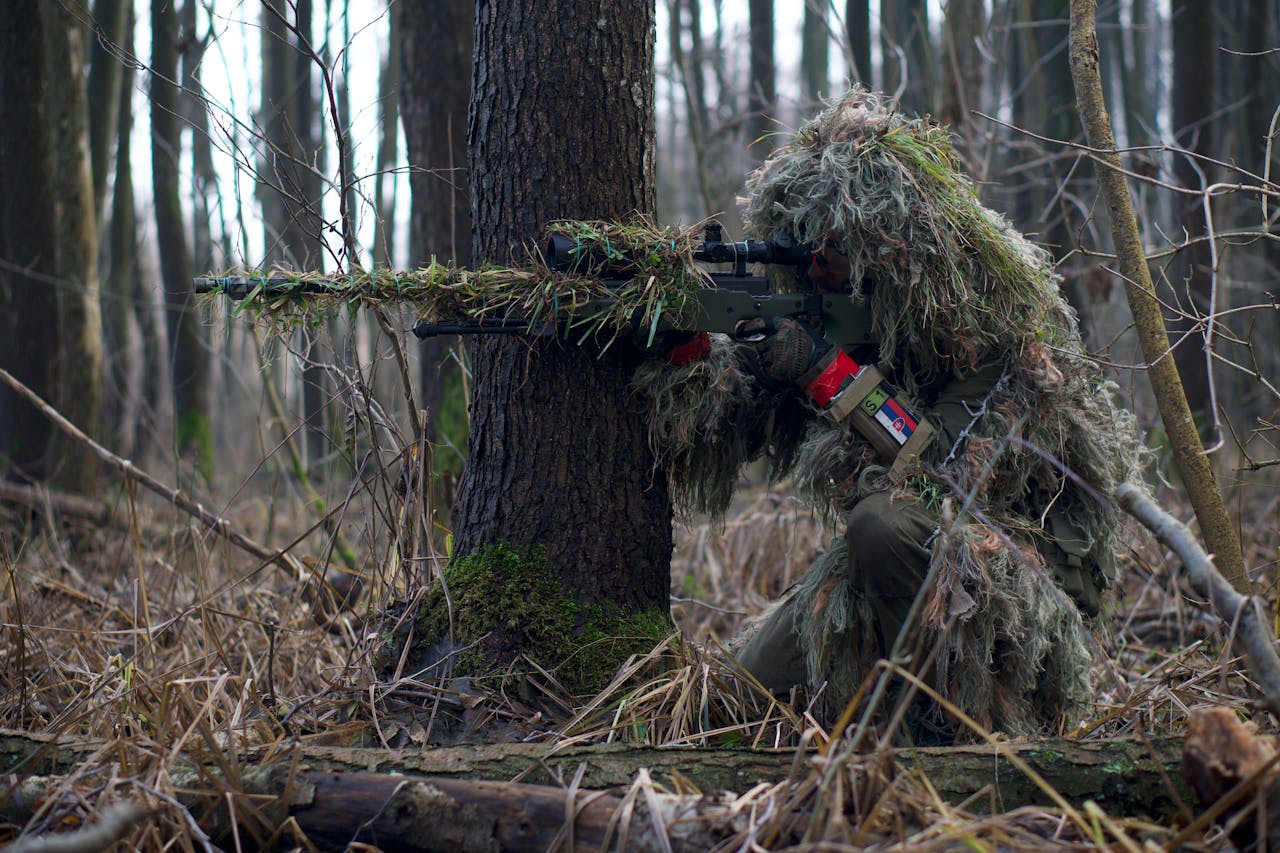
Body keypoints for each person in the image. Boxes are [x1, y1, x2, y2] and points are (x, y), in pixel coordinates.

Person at [634, 90, 1147, 741]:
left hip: (1020, 592)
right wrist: (688, 348)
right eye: (808, 249)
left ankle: (949, 741)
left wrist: (826, 371)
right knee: (730, 701)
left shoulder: (998, 328)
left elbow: (944, 472)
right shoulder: (838, 310)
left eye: (836, 250)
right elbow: (733, 421)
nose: (818, 269)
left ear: (891, 247)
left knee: (883, 524)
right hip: (887, 573)